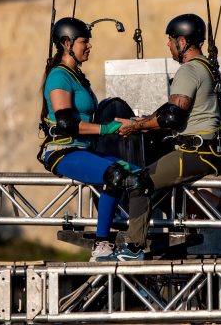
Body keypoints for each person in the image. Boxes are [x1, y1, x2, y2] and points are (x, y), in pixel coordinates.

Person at [100, 13, 221, 261]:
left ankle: (134, 248)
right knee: (156, 176)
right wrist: (143, 122)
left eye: (171, 40)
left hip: (197, 152)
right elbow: (173, 111)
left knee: (138, 181)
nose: (168, 45)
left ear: (182, 41)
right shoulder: (208, 68)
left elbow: (172, 117)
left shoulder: (189, 70)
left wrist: (134, 127)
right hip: (210, 150)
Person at [37, 17, 137, 261]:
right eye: (84, 42)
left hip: (85, 150)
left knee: (138, 174)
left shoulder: (78, 76)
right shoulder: (59, 77)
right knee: (115, 174)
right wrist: (106, 130)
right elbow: (66, 124)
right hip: (63, 151)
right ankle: (101, 246)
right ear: (66, 44)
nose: (89, 46)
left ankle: (135, 240)